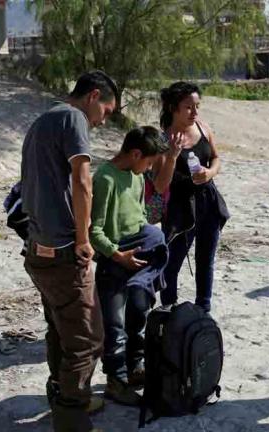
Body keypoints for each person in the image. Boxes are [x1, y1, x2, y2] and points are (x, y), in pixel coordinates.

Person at [20, 71, 117, 432]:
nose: (103, 120)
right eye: (106, 111)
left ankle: (62, 397)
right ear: (93, 96)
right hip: (62, 251)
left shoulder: (44, 119)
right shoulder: (73, 118)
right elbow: (82, 180)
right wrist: (83, 239)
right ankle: (71, 417)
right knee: (87, 340)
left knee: (60, 330)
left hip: (38, 249)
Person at [90, 126, 169, 406]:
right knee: (115, 327)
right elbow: (94, 230)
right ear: (136, 154)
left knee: (139, 316)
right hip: (114, 263)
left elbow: (140, 216)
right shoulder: (105, 179)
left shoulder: (137, 178)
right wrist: (116, 255)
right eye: (149, 162)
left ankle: (136, 368)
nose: (149, 168)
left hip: (137, 261)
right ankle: (117, 381)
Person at [151, 82, 229, 313]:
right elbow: (159, 185)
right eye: (188, 107)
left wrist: (209, 173)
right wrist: (173, 157)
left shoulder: (203, 128)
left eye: (197, 106)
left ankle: (203, 310)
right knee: (171, 263)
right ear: (173, 108)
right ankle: (168, 309)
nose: (194, 112)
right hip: (179, 209)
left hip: (208, 203)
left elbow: (216, 158)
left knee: (205, 261)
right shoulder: (162, 141)